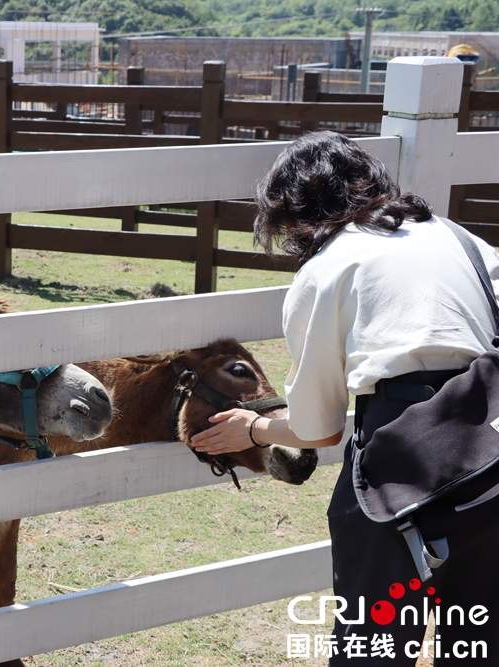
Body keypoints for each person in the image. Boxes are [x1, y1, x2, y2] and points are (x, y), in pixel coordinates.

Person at [189, 131, 499, 665]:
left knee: (372, 644)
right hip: (493, 446)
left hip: (404, 454)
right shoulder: (462, 239)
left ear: (292, 214)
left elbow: (317, 430)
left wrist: (256, 428)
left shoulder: (328, 269)